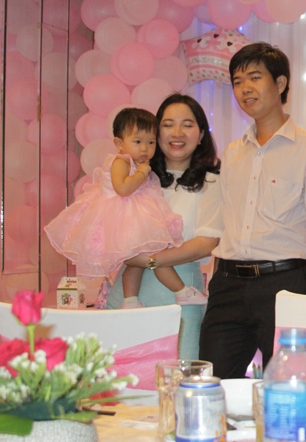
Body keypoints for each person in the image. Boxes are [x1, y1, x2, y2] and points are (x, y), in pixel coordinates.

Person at [199, 42, 306, 378]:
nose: (245, 89)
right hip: (227, 286)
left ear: (280, 83)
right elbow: (225, 224)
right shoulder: (232, 153)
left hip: (284, 284)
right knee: (213, 384)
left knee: (285, 387)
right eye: (237, 82)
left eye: (254, 77)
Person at [45, 107, 206, 307]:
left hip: (129, 217)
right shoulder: (121, 162)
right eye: (138, 142)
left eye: (150, 142)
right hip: (121, 219)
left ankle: (130, 300)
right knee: (151, 258)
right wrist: (142, 172)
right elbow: (122, 188)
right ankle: (181, 291)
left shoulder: (134, 162)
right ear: (119, 143)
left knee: (138, 263)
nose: (145, 149)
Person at [106, 95, 221, 360]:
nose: (177, 133)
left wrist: (149, 260)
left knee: (178, 377)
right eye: (168, 125)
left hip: (179, 295)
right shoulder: (137, 176)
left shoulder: (213, 182)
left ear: (201, 135)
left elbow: (206, 243)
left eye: (187, 125)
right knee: (122, 379)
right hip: (129, 294)